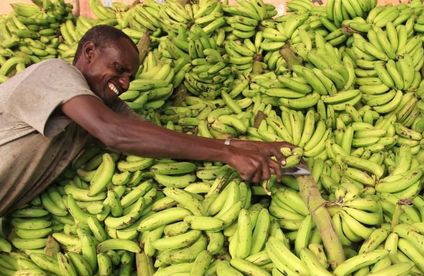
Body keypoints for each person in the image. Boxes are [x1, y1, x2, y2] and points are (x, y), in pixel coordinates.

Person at [0, 25, 291, 217]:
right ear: (89, 52)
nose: (124, 83)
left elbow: (151, 136)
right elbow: (114, 133)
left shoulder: (102, 105)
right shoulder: (55, 73)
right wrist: (227, 153)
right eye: (118, 69)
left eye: (130, 77)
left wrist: (245, 146)